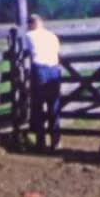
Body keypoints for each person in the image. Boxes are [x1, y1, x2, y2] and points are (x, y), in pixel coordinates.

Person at [24, 14, 62, 152]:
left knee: (38, 107)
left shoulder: (29, 35)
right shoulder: (52, 35)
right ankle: (55, 142)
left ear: (31, 24)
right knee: (54, 106)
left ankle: (41, 143)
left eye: (28, 23)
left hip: (40, 70)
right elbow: (58, 54)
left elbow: (27, 53)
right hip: (54, 69)